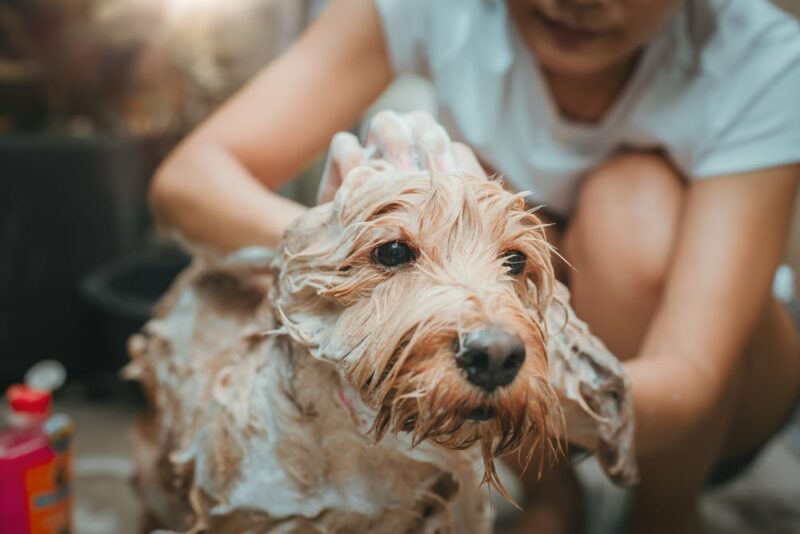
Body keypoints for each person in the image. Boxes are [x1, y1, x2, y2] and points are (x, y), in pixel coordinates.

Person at [148, 0, 800, 532]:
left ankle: (664, 512)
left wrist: (557, 384)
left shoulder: (763, 60)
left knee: (632, 206)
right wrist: (357, 245)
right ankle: (548, 498)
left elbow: (694, 376)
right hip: (508, 357)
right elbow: (188, 183)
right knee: (466, 193)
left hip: (705, 403)